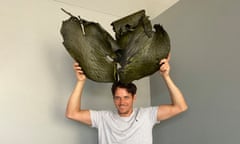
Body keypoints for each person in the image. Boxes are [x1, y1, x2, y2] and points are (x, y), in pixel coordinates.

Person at [65, 55, 188, 144]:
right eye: (117, 98)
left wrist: (166, 76)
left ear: (134, 97)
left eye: (126, 97)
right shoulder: (103, 118)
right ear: (113, 98)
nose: (121, 102)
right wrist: (81, 81)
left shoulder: (147, 115)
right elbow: (72, 113)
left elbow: (180, 106)